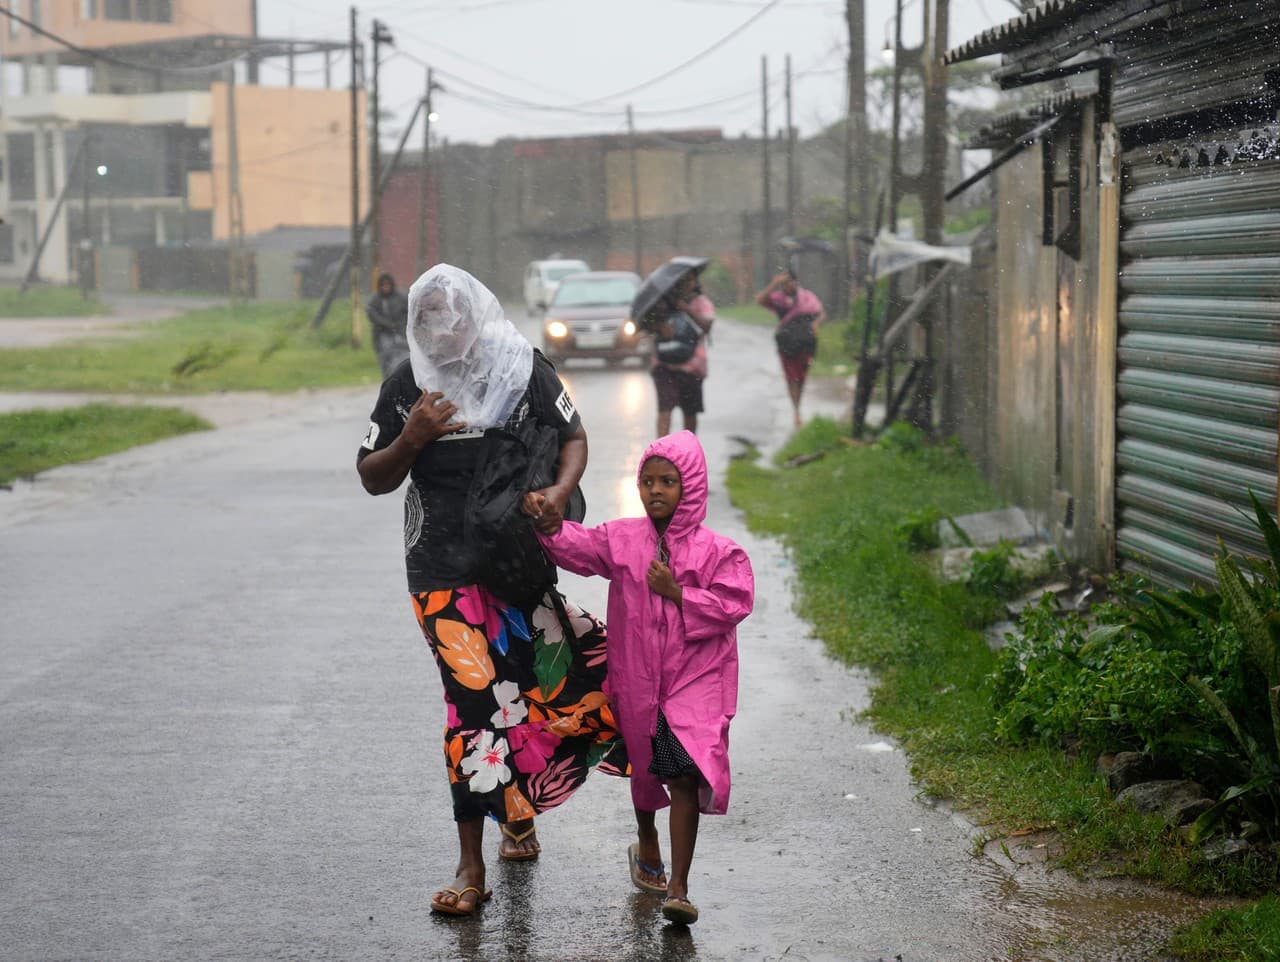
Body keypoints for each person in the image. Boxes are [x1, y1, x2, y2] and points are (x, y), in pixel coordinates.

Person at [356, 264, 625, 918]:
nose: (441, 327)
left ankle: (519, 807)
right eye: (428, 317)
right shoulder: (406, 387)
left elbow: (573, 438)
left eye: (452, 313)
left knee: (545, 684)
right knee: (472, 702)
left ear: (476, 313)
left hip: (515, 561)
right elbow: (371, 475)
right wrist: (412, 437)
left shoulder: (520, 367)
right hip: (439, 570)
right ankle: (470, 866)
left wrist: (559, 495)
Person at [526, 431, 754, 925]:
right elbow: (579, 548)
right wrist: (549, 525)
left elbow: (735, 603)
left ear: (690, 486)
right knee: (647, 769)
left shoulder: (720, 552)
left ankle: (679, 887)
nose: (656, 491)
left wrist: (679, 594)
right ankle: (647, 839)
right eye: (647, 481)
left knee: (682, 773)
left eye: (668, 481)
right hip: (636, 679)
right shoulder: (623, 539)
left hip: (695, 685)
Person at [756, 269, 826, 427]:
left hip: (807, 342)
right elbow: (760, 300)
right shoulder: (779, 299)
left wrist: (816, 324)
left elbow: (821, 313)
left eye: (791, 281)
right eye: (785, 283)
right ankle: (796, 411)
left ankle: (797, 405)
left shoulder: (808, 297)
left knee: (801, 376)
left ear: (797, 282)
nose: (789, 285)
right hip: (787, 343)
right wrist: (773, 284)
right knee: (791, 376)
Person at [648, 271, 714, 437]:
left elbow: (707, 326)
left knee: (690, 412)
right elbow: (645, 326)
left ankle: (688, 451)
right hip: (664, 365)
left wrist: (687, 309)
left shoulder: (700, 302)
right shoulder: (660, 303)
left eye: (691, 280)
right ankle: (661, 451)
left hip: (692, 366)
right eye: (685, 280)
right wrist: (659, 327)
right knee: (665, 408)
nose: (689, 283)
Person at [366, 272, 411, 377]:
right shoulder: (376, 300)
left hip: (400, 334)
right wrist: (386, 324)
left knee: (403, 358)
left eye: (388, 285)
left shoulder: (400, 298)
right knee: (386, 361)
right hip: (382, 335)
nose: (386, 288)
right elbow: (372, 314)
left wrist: (400, 325)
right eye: (383, 285)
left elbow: (408, 312)